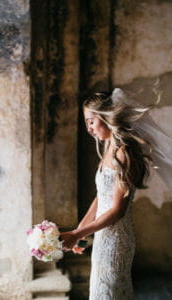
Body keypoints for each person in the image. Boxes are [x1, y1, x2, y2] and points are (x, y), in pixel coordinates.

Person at [60, 91, 153, 300]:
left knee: (108, 293)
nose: (89, 128)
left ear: (106, 117)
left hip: (117, 239)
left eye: (91, 121)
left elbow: (117, 211)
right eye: (87, 123)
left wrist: (76, 235)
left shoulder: (124, 153)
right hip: (103, 235)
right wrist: (80, 231)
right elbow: (101, 197)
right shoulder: (108, 148)